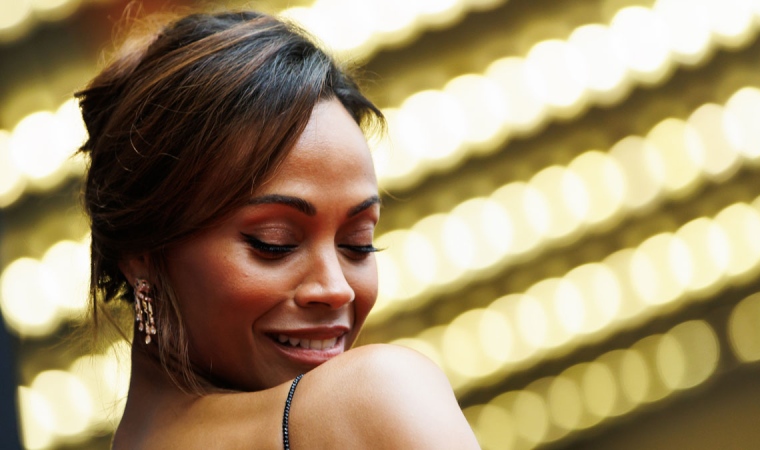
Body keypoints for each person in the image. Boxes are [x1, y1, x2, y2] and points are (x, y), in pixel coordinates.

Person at [76, 9, 480, 449]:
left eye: (358, 244)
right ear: (144, 254)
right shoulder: (375, 399)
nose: (336, 288)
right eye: (275, 243)